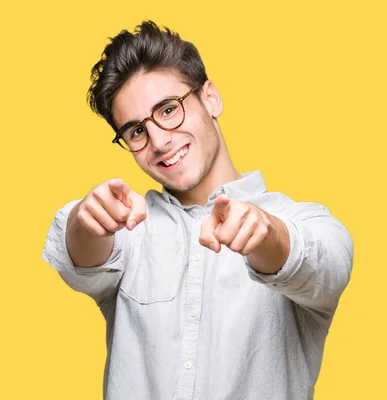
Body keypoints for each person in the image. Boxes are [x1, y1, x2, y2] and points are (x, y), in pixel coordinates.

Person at [41, 20, 353, 400]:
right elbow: (76, 256)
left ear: (211, 98)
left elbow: (327, 265)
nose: (158, 141)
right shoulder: (128, 229)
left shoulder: (304, 222)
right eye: (136, 131)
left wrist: (266, 235)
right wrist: (87, 220)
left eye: (169, 110)